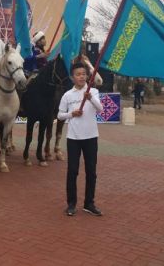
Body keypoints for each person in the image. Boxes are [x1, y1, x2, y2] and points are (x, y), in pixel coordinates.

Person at [58, 62, 104, 217]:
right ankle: (71, 204)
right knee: (72, 171)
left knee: (91, 171)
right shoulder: (67, 95)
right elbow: (59, 115)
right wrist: (72, 114)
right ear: (72, 78)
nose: (81, 77)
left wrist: (90, 98)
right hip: (74, 138)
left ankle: (89, 203)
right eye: (78, 74)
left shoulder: (93, 92)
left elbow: (100, 109)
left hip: (91, 137)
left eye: (83, 74)